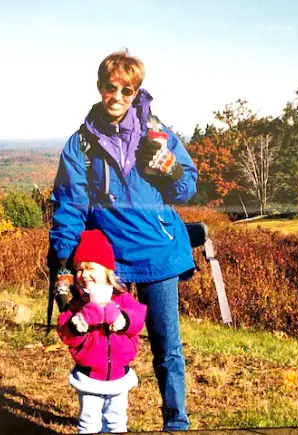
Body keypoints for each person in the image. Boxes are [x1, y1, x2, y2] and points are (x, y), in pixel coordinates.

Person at [49, 49, 198, 431]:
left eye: (126, 90)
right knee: (99, 344)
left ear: (136, 91)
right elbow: (69, 205)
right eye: (109, 87)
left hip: (158, 253)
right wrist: (63, 263)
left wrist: (169, 166)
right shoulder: (80, 144)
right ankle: (101, 425)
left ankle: (175, 423)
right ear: (100, 87)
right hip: (107, 263)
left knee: (167, 347)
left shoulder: (156, 135)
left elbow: (185, 190)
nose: (117, 96)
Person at [57, 229, 147, 434]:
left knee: (116, 422)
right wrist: (79, 322)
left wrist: (122, 319)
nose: (84, 274)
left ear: (107, 271)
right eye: (79, 269)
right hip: (89, 376)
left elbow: (138, 318)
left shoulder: (121, 298)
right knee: (89, 424)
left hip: (119, 373)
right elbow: (64, 332)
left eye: (90, 268)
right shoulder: (77, 304)